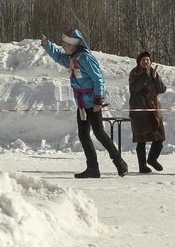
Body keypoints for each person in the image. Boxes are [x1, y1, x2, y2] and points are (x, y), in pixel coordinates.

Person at [40, 29, 128, 178]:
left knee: (99, 133)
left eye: (66, 44)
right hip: (81, 104)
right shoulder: (72, 58)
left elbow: (98, 78)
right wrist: (47, 45)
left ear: (73, 45)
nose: (63, 47)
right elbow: (58, 57)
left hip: (92, 102)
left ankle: (120, 162)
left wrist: (98, 100)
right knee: (83, 135)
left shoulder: (85, 58)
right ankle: (93, 168)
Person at [128, 50, 167, 173]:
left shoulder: (153, 73)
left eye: (148, 60)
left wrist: (155, 78)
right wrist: (146, 76)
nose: (146, 62)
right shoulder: (134, 73)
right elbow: (135, 88)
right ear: (139, 62)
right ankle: (142, 166)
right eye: (143, 60)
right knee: (141, 140)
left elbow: (162, 89)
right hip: (139, 111)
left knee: (159, 138)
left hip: (154, 110)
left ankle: (152, 159)